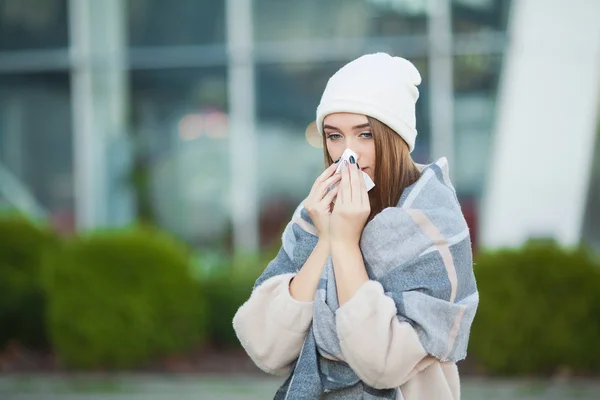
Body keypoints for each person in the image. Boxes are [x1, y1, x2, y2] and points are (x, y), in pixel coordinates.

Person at [233, 53, 479, 400]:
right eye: (334, 136)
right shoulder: (313, 218)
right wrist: (327, 238)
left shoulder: (432, 223)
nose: (348, 155)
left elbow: (382, 364)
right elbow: (266, 347)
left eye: (365, 134)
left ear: (395, 138)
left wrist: (347, 244)